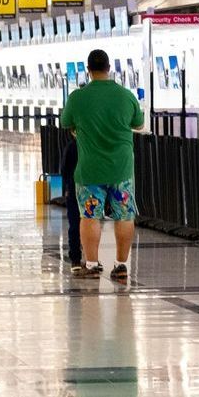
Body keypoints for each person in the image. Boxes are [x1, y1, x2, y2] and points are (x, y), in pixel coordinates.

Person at [59, 48, 145, 284]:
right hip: (121, 169)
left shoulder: (78, 97)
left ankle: (92, 264)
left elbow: (66, 122)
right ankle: (120, 265)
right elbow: (139, 123)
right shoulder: (125, 95)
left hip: (90, 169)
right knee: (124, 216)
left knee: (90, 216)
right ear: (109, 68)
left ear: (88, 70)